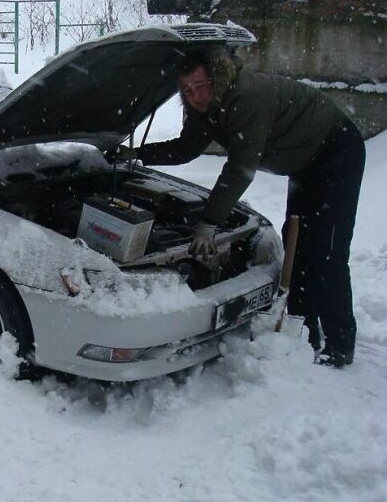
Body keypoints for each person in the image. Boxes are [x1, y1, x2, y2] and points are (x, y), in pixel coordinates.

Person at [118, 47, 365, 369]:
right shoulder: (203, 107)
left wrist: (209, 224)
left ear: (215, 78)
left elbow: (240, 169)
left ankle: (339, 345)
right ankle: (303, 332)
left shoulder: (245, 97)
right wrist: (135, 154)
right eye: (187, 90)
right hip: (305, 164)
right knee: (298, 246)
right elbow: (187, 147)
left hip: (336, 152)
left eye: (200, 85)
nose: (195, 96)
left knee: (328, 252)